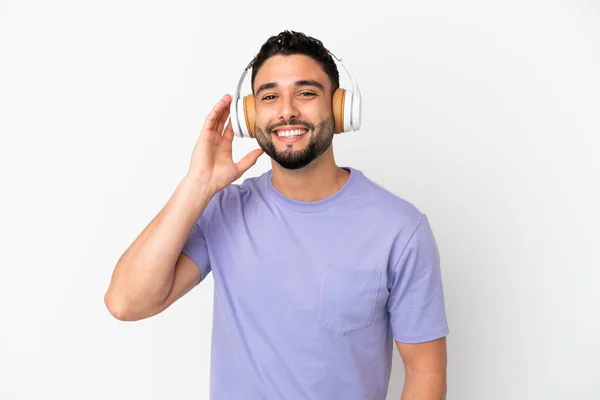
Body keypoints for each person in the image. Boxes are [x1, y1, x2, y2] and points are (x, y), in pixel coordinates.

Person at [104, 30, 449, 400]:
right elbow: (126, 302)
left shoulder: (400, 229)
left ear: (339, 108)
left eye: (306, 93)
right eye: (270, 96)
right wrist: (197, 184)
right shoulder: (223, 211)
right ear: (249, 116)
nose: (287, 110)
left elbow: (424, 372)